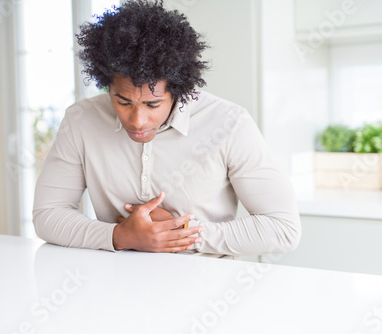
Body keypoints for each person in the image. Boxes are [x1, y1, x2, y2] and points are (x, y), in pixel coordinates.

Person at [33, 0, 301, 259]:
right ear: (107, 84)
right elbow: (47, 214)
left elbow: (283, 228)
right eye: (123, 101)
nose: (137, 120)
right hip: (116, 287)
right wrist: (120, 236)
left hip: (209, 292)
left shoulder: (230, 123)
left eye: (152, 104)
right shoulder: (81, 120)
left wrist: (180, 233)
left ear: (178, 89)